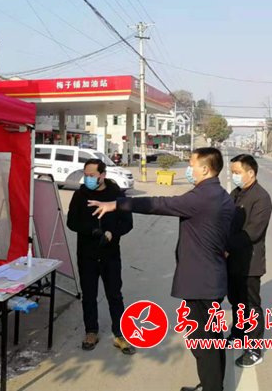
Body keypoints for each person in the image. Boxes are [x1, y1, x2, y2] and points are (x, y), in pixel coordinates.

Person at [89, 148, 235, 391]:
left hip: (201, 283)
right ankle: (212, 385)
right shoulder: (221, 195)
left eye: (191, 164)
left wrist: (117, 204)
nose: (188, 169)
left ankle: (212, 388)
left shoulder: (202, 197)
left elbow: (159, 204)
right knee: (212, 339)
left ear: (205, 169)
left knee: (203, 343)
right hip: (212, 278)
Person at [67, 159, 135, 355]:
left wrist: (113, 233)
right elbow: (71, 222)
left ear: (102, 175)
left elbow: (127, 223)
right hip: (86, 254)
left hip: (110, 253)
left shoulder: (116, 195)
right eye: (85, 175)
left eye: (92, 175)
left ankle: (120, 334)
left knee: (115, 294)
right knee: (89, 295)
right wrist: (91, 231)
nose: (87, 178)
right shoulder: (80, 195)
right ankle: (91, 332)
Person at [227, 154, 272, 368]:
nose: (234, 176)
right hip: (232, 259)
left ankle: (254, 349)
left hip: (249, 262)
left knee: (251, 305)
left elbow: (253, 232)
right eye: (232, 173)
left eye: (237, 173)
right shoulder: (236, 193)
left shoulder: (261, 198)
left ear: (251, 173)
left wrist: (226, 247)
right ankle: (238, 333)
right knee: (236, 300)